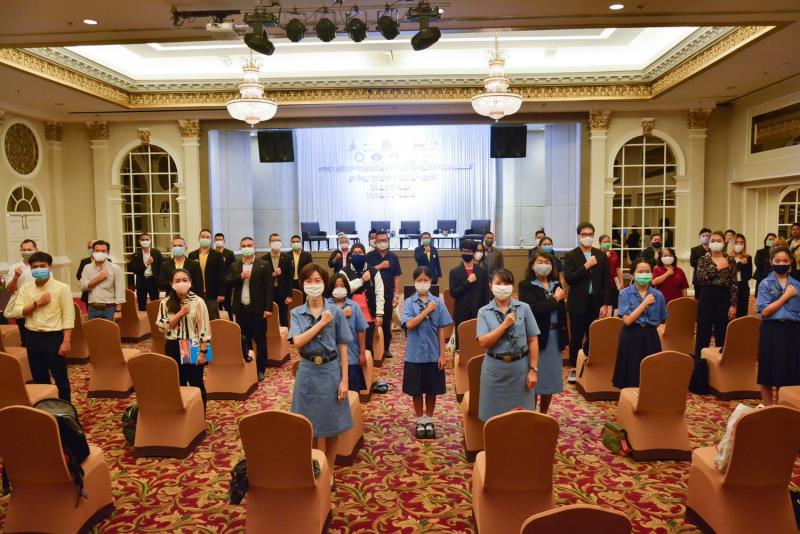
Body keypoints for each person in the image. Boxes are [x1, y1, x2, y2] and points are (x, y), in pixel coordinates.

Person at [289, 264, 353, 486]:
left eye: (318, 281)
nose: (313, 285)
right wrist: (322, 323)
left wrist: (345, 379)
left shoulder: (336, 311)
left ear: (324, 284)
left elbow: (343, 346)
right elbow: (298, 341)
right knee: (310, 425)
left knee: (332, 425)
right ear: (302, 284)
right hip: (307, 371)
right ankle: (314, 466)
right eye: (309, 281)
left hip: (330, 370)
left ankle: (331, 470)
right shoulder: (296, 313)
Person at [7, 251, 74, 401]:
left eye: (42, 266)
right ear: (30, 269)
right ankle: (45, 409)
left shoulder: (61, 288)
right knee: (39, 378)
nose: (38, 269)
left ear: (50, 267)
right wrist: (37, 303)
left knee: (60, 378)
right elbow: (16, 312)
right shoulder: (25, 288)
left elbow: (68, 316)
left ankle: (66, 409)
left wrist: (66, 341)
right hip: (32, 336)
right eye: (35, 267)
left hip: (54, 337)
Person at [477, 268, 540, 421]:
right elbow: (484, 342)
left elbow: (533, 340)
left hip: (520, 370)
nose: (502, 287)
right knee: (492, 418)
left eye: (506, 283)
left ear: (512, 286)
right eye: (498, 283)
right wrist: (504, 326)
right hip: (494, 371)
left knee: (522, 417)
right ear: (491, 285)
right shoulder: (484, 311)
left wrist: (533, 370)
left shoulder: (524, 308)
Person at [401, 266, 453, 439]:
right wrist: (426, 311)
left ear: (431, 281)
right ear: (414, 282)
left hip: (433, 353)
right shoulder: (409, 303)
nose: (422, 283)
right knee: (416, 391)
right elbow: (409, 325)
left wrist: (442, 354)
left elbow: (441, 330)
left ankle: (428, 420)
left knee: (432, 390)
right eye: (419, 280)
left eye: (426, 280)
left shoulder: (438, 302)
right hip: (414, 354)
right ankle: (419, 421)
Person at [518, 251, 568, 414]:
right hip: (536, 338)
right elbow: (533, 310)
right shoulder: (526, 285)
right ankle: (531, 413)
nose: (544, 265)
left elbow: (562, 314)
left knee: (550, 381)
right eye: (540, 262)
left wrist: (564, 339)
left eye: (547, 262)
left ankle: (543, 414)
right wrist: (555, 299)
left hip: (554, 337)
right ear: (532, 266)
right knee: (533, 380)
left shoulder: (557, 285)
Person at [563, 222, 612, 380]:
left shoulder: (600, 255)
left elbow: (606, 281)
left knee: (594, 336)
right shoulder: (571, 255)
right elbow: (570, 278)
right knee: (576, 337)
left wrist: (606, 304)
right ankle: (574, 368)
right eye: (584, 234)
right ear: (578, 236)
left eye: (590, 234)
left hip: (596, 302)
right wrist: (586, 266)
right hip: (577, 302)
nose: (588, 237)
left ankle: (591, 366)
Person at [156, 268, 210, 408]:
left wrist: (203, 352)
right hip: (173, 345)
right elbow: (162, 327)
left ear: (190, 282)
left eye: (185, 280)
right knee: (178, 384)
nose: (181, 283)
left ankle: (200, 416)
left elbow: (205, 330)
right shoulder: (165, 302)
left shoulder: (198, 301)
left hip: (192, 344)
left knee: (196, 383)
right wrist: (180, 313)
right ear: (172, 284)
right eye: (178, 280)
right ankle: (183, 416)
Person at [611, 258, 667, 389]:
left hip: (650, 336)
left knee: (651, 373)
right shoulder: (624, 293)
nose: (644, 274)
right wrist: (645, 302)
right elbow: (628, 320)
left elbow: (661, 319)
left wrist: (648, 324)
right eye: (640, 271)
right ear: (633, 274)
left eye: (647, 271)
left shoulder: (658, 295)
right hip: (631, 335)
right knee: (630, 373)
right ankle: (628, 399)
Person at [756, 246, 800, 405]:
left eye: (785, 261)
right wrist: (786, 296)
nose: (782, 263)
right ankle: (768, 408)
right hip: (771, 330)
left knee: (790, 371)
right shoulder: (765, 284)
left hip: (792, 331)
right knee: (767, 372)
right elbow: (765, 311)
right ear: (771, 262)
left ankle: (784, 408)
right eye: (778, 260)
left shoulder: (797, 284)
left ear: (791, 262)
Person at [226, 237, 273, 382]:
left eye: (249, 245)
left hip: (258, 310)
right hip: (241, 310)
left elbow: (269, 288)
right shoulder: (235, 265)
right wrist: (240, 277)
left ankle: (260, 369)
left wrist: (268, 308)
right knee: (244, 340)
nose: (247, 248)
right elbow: (227, 282)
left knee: (260, 341)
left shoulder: (263, 265)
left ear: (254, 247)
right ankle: (248, 367)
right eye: (244, 246)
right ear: (240, 248)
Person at [694, 230, 738, 356]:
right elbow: (700, 279)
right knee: (703, 331)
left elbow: (734, 283)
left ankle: (720, 362)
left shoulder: (730, 260)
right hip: (706, 295)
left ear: (724, 243)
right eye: (713, 240)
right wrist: (718, 268)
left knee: (722, 331)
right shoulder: (703, 259)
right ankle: (700, 363)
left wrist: (733, 305)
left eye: (719, 240)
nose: (715, 243)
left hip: (724, 296)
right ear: (709, 243)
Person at [329, 273, 368, 393]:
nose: (339, 288)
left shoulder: (354, 306)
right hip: (331, 360)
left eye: (342, 286)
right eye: (336, 286)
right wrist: (341, 314)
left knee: (352, 394)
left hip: (351, 357)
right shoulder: (326, 306)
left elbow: (361, 330)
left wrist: (362, 353)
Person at [342, 243, 384, 352]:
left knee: (368, 345)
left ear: (365, 254)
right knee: (351, 344)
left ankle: (368, 361)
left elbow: (379, 293)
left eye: (360, 253)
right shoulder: (344, 271)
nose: (357, 255)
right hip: (349, 312)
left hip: (368, 313)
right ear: (351, 255)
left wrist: (379, 314)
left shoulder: (374, 271)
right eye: (355, 253)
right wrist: (361, 280)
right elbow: (346, 289)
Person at [448, 239, 490, 347]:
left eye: (469, 251)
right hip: (461, 312)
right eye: (464, 251)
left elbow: (486, 295)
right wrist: (467, 282)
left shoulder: (482, 272)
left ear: (474, 252)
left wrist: (486, 312)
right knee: (461, 343)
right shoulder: (454, 272)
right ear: (460, 252)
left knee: (477, 343)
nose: (466, 253)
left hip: (478, 312)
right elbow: (453, 292)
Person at [366, 231, 401, 357]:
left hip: (388, 295)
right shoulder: (369, 256)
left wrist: (396, 295)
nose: (383, 243)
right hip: (372, 295)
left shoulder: (393, 257)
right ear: (375, 242)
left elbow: (397, 277)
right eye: (380, 240)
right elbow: (366, 274)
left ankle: (386, 348)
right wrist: (380, 266)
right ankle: (370, 347)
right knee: (371, 322)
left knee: (386, 323)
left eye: (385, 240)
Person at [80, 240, 125, 321]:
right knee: (93, 329)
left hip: (109, 308)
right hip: (92, 308)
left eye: (103, 251)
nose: (100, 253)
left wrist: (118, 310)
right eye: (97, 251)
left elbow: (119, 290)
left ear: (108, 253)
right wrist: (98, 279)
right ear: (93, 252)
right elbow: (83, 286)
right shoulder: (87, 267)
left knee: (109, 329)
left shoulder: (115, 269)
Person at [4, 239, 37, 345]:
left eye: (29, 250)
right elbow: (9, 290)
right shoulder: (15, 267)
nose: (26, 252)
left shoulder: (41, 266)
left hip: (38, 306)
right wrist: (16, 277)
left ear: (36, 250)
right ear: (20, 251)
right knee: (25, 338)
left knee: (39, 336)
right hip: (21, 307)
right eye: (24, 250)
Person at [187, 229, 225, 321]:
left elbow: (222, 275)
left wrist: (221, 293)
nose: (205, 239)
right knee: (197, 318)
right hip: (195, 293)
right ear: (198, 238)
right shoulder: (192, 255)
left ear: (211, 239)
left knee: (213, 319)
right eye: (203, 237)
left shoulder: (217, 255)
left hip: (212, 293)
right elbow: (189, 275)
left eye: (207, 237)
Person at [262, 233, 293, 327]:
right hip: (268, 292)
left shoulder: (287, 258)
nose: (276, 242)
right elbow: (262, 279)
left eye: (278, 240)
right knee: (268, 315)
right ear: (269, 243)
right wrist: (273, 275)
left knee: (283, 316)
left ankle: (286, 334)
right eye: (274, 240)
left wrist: (289, 295)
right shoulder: (263, 259)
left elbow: (290, 278)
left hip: (282, 292)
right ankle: (270, 334)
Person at [127, 232, 163, 311]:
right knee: (141, 304)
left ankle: (155, 317)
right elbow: (134, 270)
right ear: (139, 241)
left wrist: (159, 281)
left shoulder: (156, 253)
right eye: (143, 240)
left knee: (155, 304)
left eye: (147, 239)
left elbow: (161, 268)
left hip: (153, 281)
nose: (145, 241)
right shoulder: (136, 255)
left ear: (150, 240)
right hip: (141, 281)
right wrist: (146, 264)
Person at [730, 233, 753, 317]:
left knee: (742, 313)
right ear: (732, 243)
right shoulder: (727, 257)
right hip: (730, 287)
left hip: (743, 287)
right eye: (736, 242)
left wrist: (744, 265)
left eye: (741, 242)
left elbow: (749, 275)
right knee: (729, 314)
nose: (739, 244)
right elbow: (730, 273)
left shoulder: (748, 257)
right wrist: (740, 264)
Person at [214, 233, 236, 315]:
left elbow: (234, 268)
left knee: (227, 305)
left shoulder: (229, 253)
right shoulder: (212, 253)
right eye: (217, 240)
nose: (218, 241)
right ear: (214, 241)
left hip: (227, 284)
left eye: (220, 239)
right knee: (216, 306)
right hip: (215, 284)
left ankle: (230, 321)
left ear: (224, 241)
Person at [600, 234, 623, 311]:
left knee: (615, 305)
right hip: (602, 285)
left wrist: (621, 281)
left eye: (608, 241)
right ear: (600, 243)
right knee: (604, 305)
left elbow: (618, 268)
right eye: (604, 242)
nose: (607, 243)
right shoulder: (597, 253)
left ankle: (613, 317)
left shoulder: (614, 253)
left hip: (614, 283)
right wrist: (605, 257)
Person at [690, 227, 712, 300]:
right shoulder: (694, 249)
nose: (706, 237)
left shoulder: (713, 250)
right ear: (700, 237)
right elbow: (692, 263)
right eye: (703, 236)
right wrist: (704, 259)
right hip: (698, 280)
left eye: (708, 236)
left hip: (711, 280)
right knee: (698, 300)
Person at [753, 233, 777, 297]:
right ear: (766, 240)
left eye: (773, 240)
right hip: (762, 276)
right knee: (761, 297)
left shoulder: (777, 252)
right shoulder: (760, 252)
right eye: (770, 239)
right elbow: (757, 263)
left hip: (775, 278)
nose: (771, 241)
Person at [76, 239, 94, 304]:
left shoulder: (108, 261)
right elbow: (78, 275)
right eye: (89, 247)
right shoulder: (84, 261)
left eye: (92, 247)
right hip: (88, 293)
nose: (91, 249)